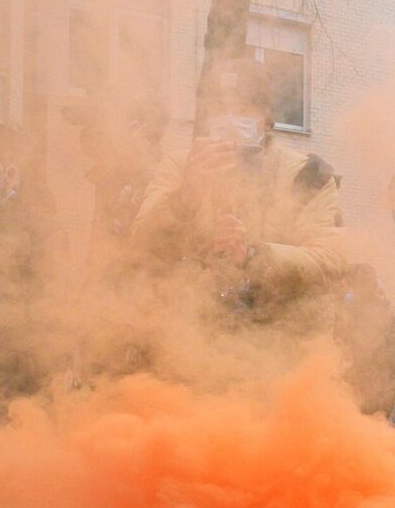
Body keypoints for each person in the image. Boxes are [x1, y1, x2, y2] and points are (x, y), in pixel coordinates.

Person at [132, 58, 347, 324]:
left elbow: (329, 263)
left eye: (243, 108)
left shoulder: (307, 176)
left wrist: (254, 255)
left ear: (267, 120)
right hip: (190, 335)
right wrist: (186, 196)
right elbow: (141, 243)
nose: (230, 119)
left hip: (281, 342)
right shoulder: (180, 167)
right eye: (220, 108)